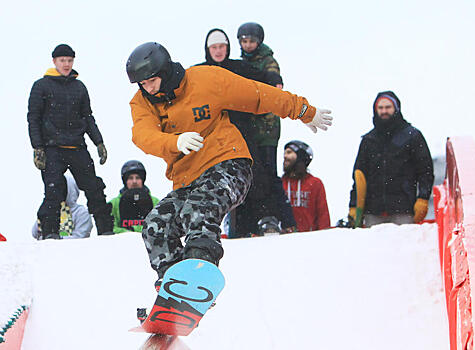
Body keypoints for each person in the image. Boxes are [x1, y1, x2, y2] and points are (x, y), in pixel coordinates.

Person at [126, 42, 332, 285]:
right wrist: (174, 141)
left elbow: (258, 94)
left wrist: (304, 111)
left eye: (151, 81)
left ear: (164, 71)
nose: (147, 88)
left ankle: (199, 275)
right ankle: (175, 286)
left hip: (228, 164)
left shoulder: (206, 80)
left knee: (199, 208)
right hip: (187, 179)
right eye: (142, 84)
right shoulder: (142, 101)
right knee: (155, 224)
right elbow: (142, 134)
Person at [195, 28, 296, 237]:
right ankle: (221, 227)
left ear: (228, 47)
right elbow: (180, 83)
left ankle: (262, 220)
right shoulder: (199, 72)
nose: (219, 51)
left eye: (222, 46)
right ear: (208, 49)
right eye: (214, 47)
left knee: (254, 175)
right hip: (213, 135)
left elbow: (263, 77)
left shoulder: (238, 67)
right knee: (217, 180)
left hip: (242, 131)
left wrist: (275, 79)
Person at [27, 43, 114, 239]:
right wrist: (37, 148)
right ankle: (50, 233)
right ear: (54, 62)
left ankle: (106, 230)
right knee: (53, 191)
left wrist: (98, 142)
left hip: (77, 146)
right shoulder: (41, 86)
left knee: (94, 187)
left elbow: (88, 117)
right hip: (51, 148)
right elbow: (33, 118)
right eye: (62, 60)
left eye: (69, 60)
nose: (66, 64)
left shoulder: (79, 86)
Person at [233, 22, 297, 237]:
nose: (248, 45)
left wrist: (275, 83)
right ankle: (248, 221)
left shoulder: (267, 60)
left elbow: (273, 74)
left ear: (259, 41)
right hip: (250, 126)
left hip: (267, 127)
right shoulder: (242, 63)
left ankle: (284, 219)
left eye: (251, 41)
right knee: (251, 172)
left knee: (269, 172)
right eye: (244, 41)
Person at [348, 91, 434, 228]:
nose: (384, 111)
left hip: (403, 210)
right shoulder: (368, 140)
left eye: (388, 107)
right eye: (380, 108)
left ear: (396, 108)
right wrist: (353, 206)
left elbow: (425, 171)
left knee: (405, 248)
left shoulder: (412, 136)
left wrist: (423, 198)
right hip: (373, 212)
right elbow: (359, 176)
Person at [282, 140, 331, 232]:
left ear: (300, 156)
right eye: (284, 153)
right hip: (283, 238)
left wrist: (325, 237)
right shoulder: (280, 184)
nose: (285, 156)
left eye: (289, 152)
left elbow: (323, 216)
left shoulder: (315, 183)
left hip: (309, 239)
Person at [32, 173, 92, 239]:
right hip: (48, 247)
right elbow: (35, 233)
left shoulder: (81, 213)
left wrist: (58, 239)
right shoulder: (50, 210)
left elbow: (80, 237)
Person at [109, 160, 159, 233]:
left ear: (142, 180)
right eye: (130, 178)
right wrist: (130, 233)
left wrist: (134, 230)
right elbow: (110, 228)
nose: (134, 181)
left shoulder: (155, 202)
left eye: (138, 178)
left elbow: (160, 227)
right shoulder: (114, 203)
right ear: (125, 181)